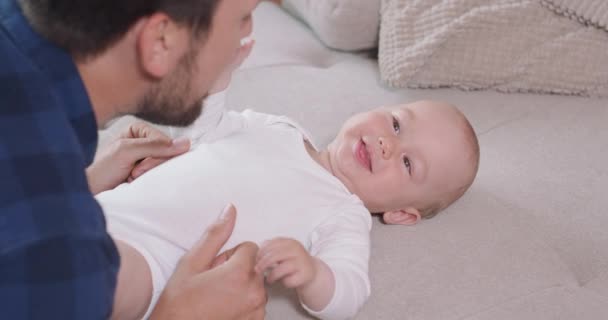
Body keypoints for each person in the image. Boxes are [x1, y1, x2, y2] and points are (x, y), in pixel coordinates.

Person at [96, 51, 480, 319]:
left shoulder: (342, 213)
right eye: (396, 124)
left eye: (408, 163)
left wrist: (314, 274)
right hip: (105, 206)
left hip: (155, 263)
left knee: (91, 279)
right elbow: (204, 132)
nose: (387, 144)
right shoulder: (281, 128)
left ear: (399, 213)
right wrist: (217, 79)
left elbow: (349, 291)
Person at [0, 0, 267, 319]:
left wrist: (76, 181)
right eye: (244, 17)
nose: (248, 30)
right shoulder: (56, 257)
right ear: (161, 41)